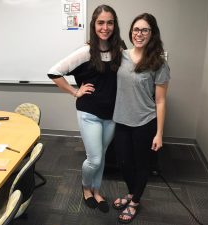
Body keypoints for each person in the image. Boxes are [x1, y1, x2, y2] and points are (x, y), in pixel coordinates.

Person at [48, 5, 126, 213]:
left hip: (111, 115)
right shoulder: (85, 52)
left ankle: (97, 190)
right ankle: (85, 187)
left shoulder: (119, 49)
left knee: (102, 154)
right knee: (95, 158)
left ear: (114, 25)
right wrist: (74, 92)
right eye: (101, 22)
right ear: (94, 25)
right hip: (89, 113)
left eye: (110, 22)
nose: (105, 27)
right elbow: (54, 72)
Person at [112, 13, 170, 223]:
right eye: (136, 29)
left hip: (144, 122)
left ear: (152, 33)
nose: (139, 34)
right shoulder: (122, 55)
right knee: (124, 162)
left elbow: (161, 101)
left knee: (142, 164)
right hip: (121, 120)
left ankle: (135, 201)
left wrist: (159, 133)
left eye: (144, 30)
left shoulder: (159, 64)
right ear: (131, 32)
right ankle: (132, 192)